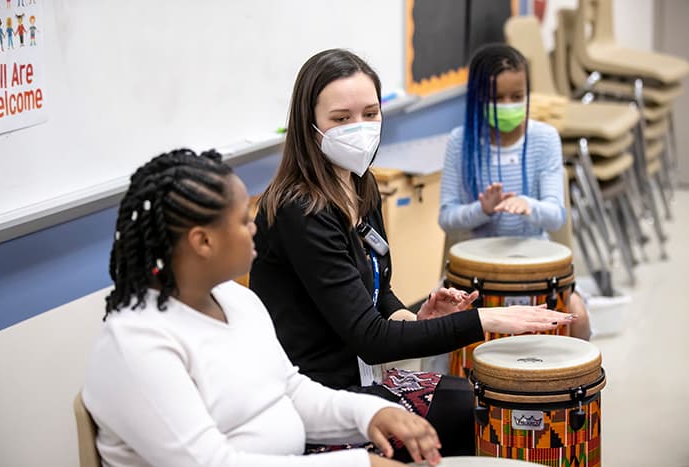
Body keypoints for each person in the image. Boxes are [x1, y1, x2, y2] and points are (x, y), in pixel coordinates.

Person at [249, 48, 575, 458]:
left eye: (370, 113)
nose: (360, 128)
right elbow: (370, 339)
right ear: (308, 124)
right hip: (321, 397)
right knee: (479, 412)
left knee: (482, 398)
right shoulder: (302, 211)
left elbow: (376, 290)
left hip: (359, 377)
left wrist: (411, 316)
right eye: (341, 118)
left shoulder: (359, 185)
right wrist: (486, 319)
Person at [82, 149, 446, 467]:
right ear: (203, 241)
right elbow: (211, 464)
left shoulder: (236, 300)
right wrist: (358, 462)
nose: (254, 227)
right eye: (242, 220)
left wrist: (371, 414)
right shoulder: (136, 344)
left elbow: (291, 391)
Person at [438, 44, 590, 340]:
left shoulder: (544, 139)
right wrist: (482, 209)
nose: (508, 104)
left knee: (579, 319)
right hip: (478, 273)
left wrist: (528, 205)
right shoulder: (460, 142)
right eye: (497, 98)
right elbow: (447, 217)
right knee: (444, 333)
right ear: (478, 97)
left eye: (517, 97)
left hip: (537, 270)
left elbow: (556, 216)